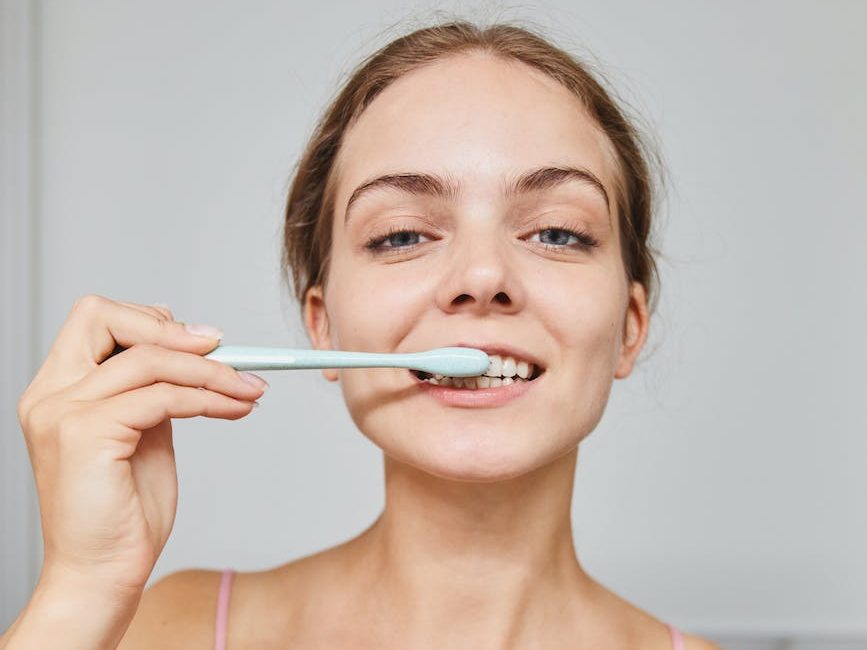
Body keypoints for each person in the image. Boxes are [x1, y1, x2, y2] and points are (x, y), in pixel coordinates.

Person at [2, 19, 721, 650]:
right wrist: (81, 589)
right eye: (402, 233)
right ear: (323, 324)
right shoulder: (168, 631)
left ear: (629, 328)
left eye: (557, 231)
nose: (480, 274)